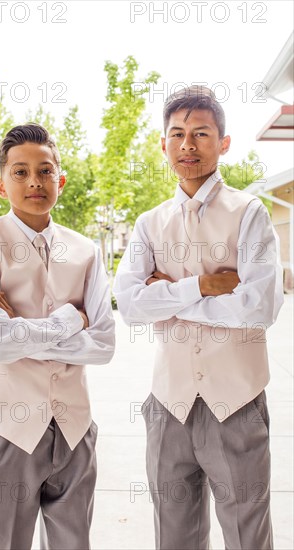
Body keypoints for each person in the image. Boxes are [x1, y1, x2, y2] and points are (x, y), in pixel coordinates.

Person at [113, 86, 283, 550]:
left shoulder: (249, 214)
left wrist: (165, 296)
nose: (188, 145)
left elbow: (260, 307)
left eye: (201, 133)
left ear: (223, 143)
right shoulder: (150, 223)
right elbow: (127, 305)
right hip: (169, 403)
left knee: (248, 536)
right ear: (163, 143)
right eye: (178, 134)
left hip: (238, 402)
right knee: (174, 536)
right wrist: (203, 286)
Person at [0, 123, 115, 550]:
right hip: (6, 429)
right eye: (21, 172)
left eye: (45, 171)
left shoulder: (86, 250)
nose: (34, 182)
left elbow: (103, 346)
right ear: (1, 182)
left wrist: (18, 326)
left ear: (60, 179)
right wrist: (69, 320)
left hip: (74, 427)